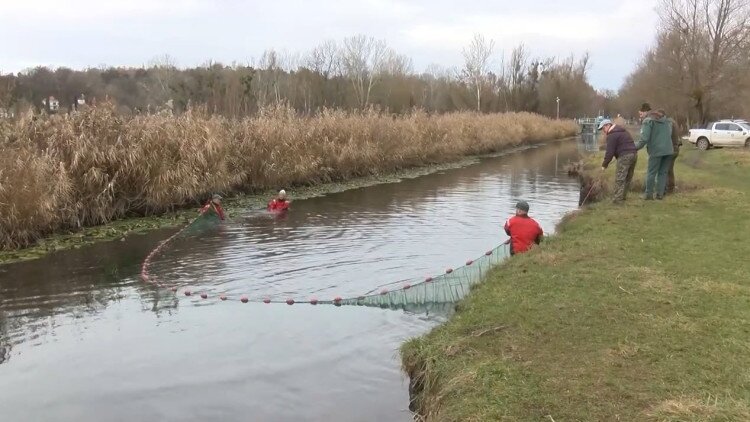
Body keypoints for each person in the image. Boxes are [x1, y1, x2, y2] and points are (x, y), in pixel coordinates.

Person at [636, 103, 674, 200]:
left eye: (640, 114)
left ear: (645, 112)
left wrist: (634, 147)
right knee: (663, 172)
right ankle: (659, 195)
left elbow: (644, 139)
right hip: (669, 150)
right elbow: (669, 133)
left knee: (651, 173)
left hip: (656, 150)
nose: (640, 116)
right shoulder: (665, 119)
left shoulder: (648, 121)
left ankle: (648, 195)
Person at [598, 118, 638, 203]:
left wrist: (604, 165)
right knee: (628, 178)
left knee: (620, 178)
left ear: (608, 125)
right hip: (634, 154)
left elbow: (609, 153)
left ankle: (617, 200)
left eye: (603, 128)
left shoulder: (611, 135)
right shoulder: (623, 131)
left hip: (625, 156)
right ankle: (622, 197)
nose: (603, 131)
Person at [666, 114, 682, 194]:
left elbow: (668, 135)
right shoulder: (674, 122)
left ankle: (669, 188)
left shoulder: (669, 123)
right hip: (675, 148)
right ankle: (670, 187)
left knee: (667, 169)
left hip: (671, 149)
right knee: (669, 169)